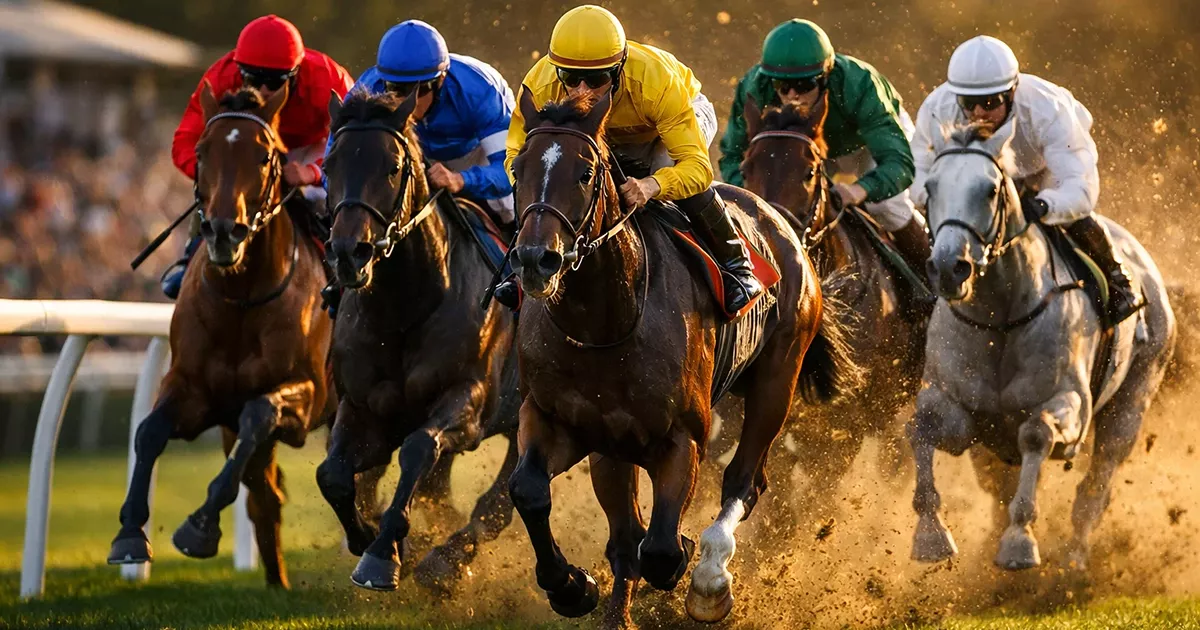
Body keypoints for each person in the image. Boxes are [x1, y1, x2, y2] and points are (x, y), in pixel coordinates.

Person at [502, 4, 763, 313]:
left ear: (618, 69)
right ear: (556, 69)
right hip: (602, 133)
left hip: (671, 122)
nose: (581, 91)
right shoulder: (540, 86)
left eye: (597, 79)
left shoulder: (656, 82)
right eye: (570, 77)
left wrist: (652, 185)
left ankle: (737, 265)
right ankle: (523, 266)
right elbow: (516, 156)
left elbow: (697, 169)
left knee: (664, 166)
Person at [910, 35, 1143, 323]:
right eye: (968, 103)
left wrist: (1044, 205)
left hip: (1042, 169)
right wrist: (936, 200)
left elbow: (1080, 189)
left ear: (1012, 93)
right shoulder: (938, 107)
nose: (978, 113)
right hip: (979, 174)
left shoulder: (1047, 109)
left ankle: (1118, 278)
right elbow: (917, 169)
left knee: (1070, 217)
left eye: (990, 102)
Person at [160, 15, 353, 299]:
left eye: (274, 82)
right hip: (249, 152)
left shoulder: (328, 79)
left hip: (313, 148)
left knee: (329, 198)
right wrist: (217, 175)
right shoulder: (221, 77)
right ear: (239, 70)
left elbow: (352, 148)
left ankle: (339, 269)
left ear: (296, 74)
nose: (263, 91)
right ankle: (192, 255)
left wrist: (312, 172)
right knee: (220, 193)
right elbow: (185, 143)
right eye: (253, 79)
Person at [719, 19, 929, 278]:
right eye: (782, 87)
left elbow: (899, 164)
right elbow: (731, 156)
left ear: (826, 76)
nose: (793, 95)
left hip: (866, 145)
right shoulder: (754, 87)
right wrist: (752, 192)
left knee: (885, 207)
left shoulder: (860, 84)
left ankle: (930, 280)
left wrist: (859, 189)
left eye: (804, 85)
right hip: (807, 149)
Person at [327, 20, 516, 229]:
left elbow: (510, 171)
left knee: (507, 206)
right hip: (414, 150)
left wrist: (461, 180)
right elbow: (332, 167)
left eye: (420, 89)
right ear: (384, 82)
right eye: (396, 89)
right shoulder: (369, 91)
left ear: (440, 80)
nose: (407, 100)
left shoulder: (478, 91)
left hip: (475, 152)